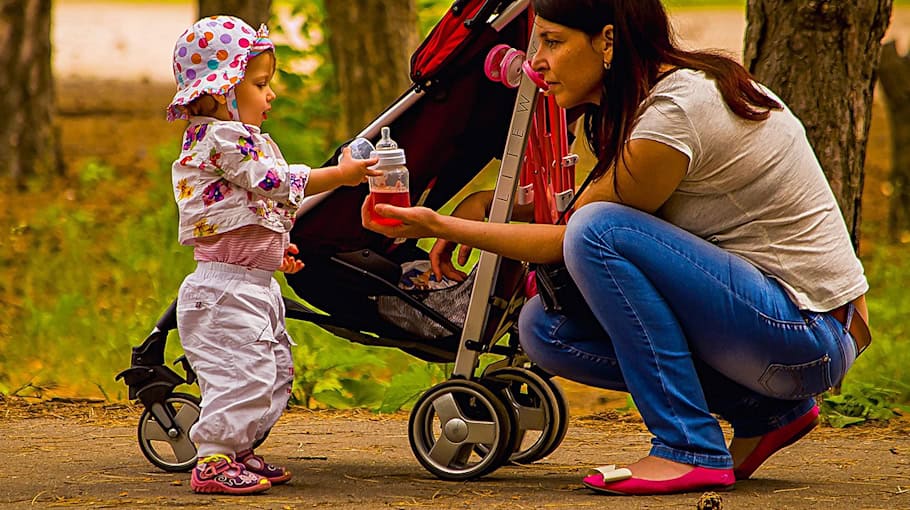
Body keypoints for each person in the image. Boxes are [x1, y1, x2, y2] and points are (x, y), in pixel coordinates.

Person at [362, 0, 871, 496]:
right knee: (544, 329)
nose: (536, 60)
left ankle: (687, 446)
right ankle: (767, 415)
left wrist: (438, 224)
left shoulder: (677, 111)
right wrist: (483, 208)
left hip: (807, 334)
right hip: (778, 334)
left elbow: (578, 233)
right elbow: (594, 207)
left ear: (607, 40)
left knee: (596, 232)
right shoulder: (658, 99)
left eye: (553, 41)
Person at [167, 15, 379, 495]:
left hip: (251, 284)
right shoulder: (220, 139)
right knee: (240, 373)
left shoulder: (240, 141)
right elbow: (274, 183)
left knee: (270, 369)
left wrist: (275, 251)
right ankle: (212, 458)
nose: (271, 95)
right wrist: (339, 176)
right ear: (221, 92)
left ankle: (238, 448)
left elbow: (250, 209)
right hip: (222, 290)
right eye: (261, 84)